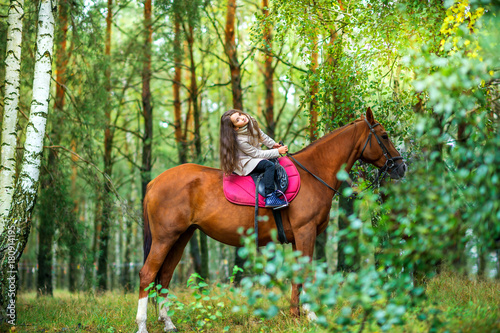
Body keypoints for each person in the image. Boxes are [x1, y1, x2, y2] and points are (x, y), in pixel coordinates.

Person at [220, 109, 289, 209]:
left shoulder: (251, 122)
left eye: (240, 114)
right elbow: (256, 154)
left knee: (273, 160)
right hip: (246, 161)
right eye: (238, 120)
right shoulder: (240, 140)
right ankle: (270, 196)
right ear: (235, 128)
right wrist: (277, 152)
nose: (242, 118)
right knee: (269, 165)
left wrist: (273, 144)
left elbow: (262, 136)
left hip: (253, 155)